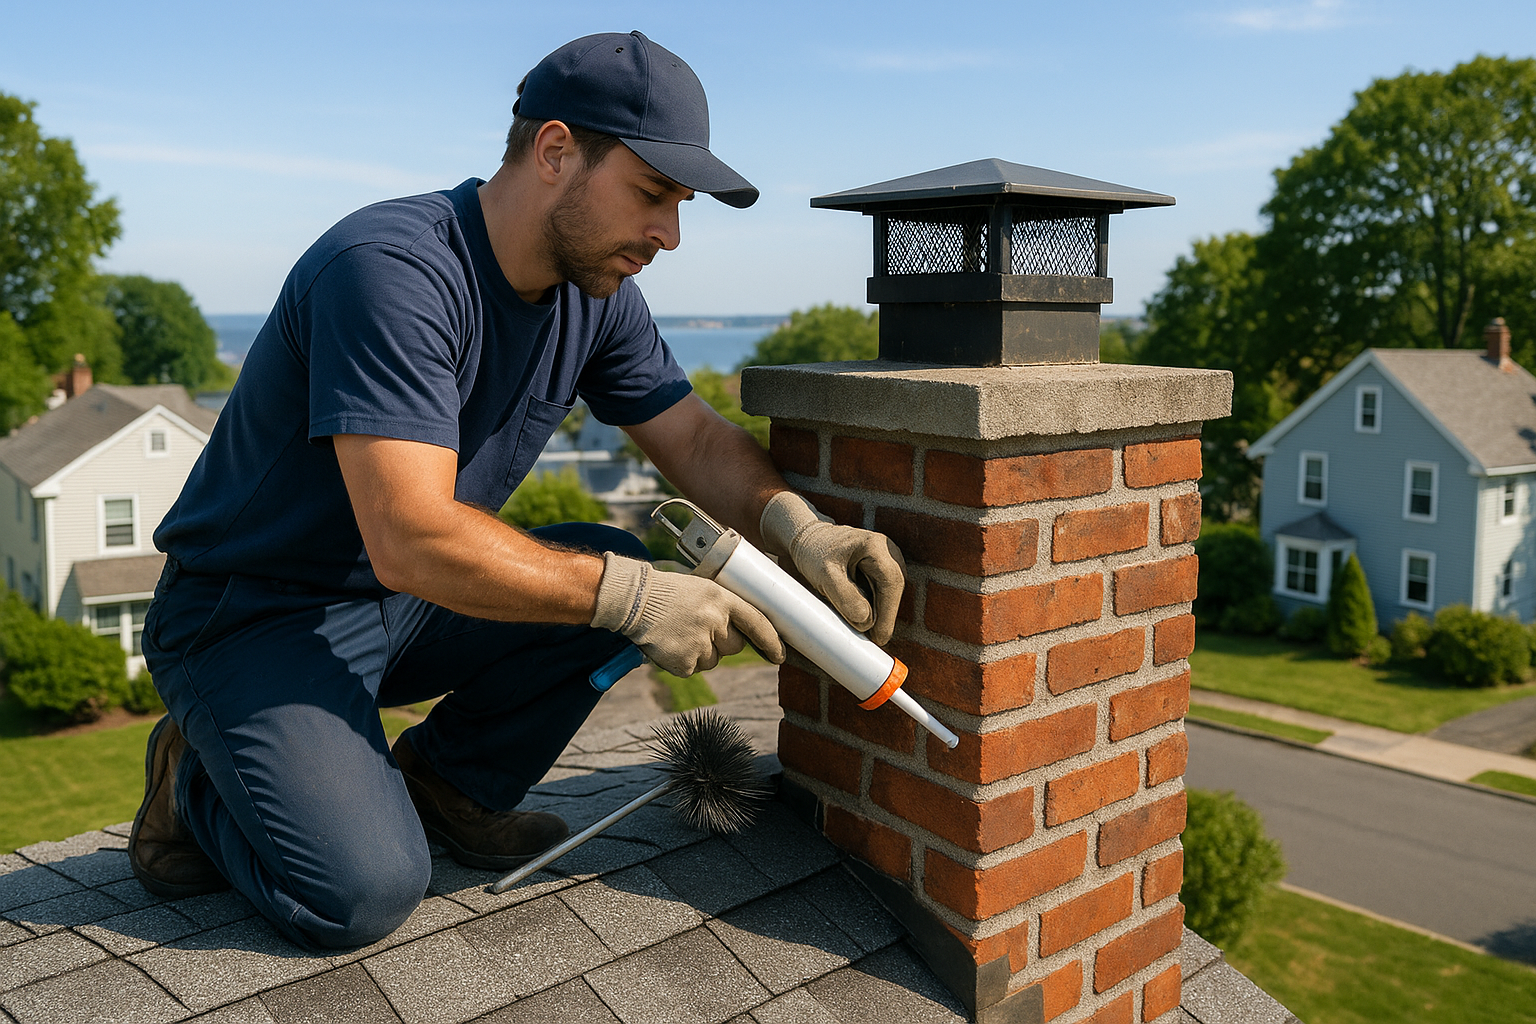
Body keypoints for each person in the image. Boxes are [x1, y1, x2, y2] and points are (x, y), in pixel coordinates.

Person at [129, 30, 906, 950]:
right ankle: (195, 774)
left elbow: (692, 437)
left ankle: (450, 786)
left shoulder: (598, 294)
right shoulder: (391, 272)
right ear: (554, 151)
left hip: (405, 606)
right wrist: (638, 599)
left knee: (611, 554)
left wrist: (801, 528)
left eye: (681, 204)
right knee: (361, 894)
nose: (671, 234)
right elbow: (411, 535)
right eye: (653, 194)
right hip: (254, 614)